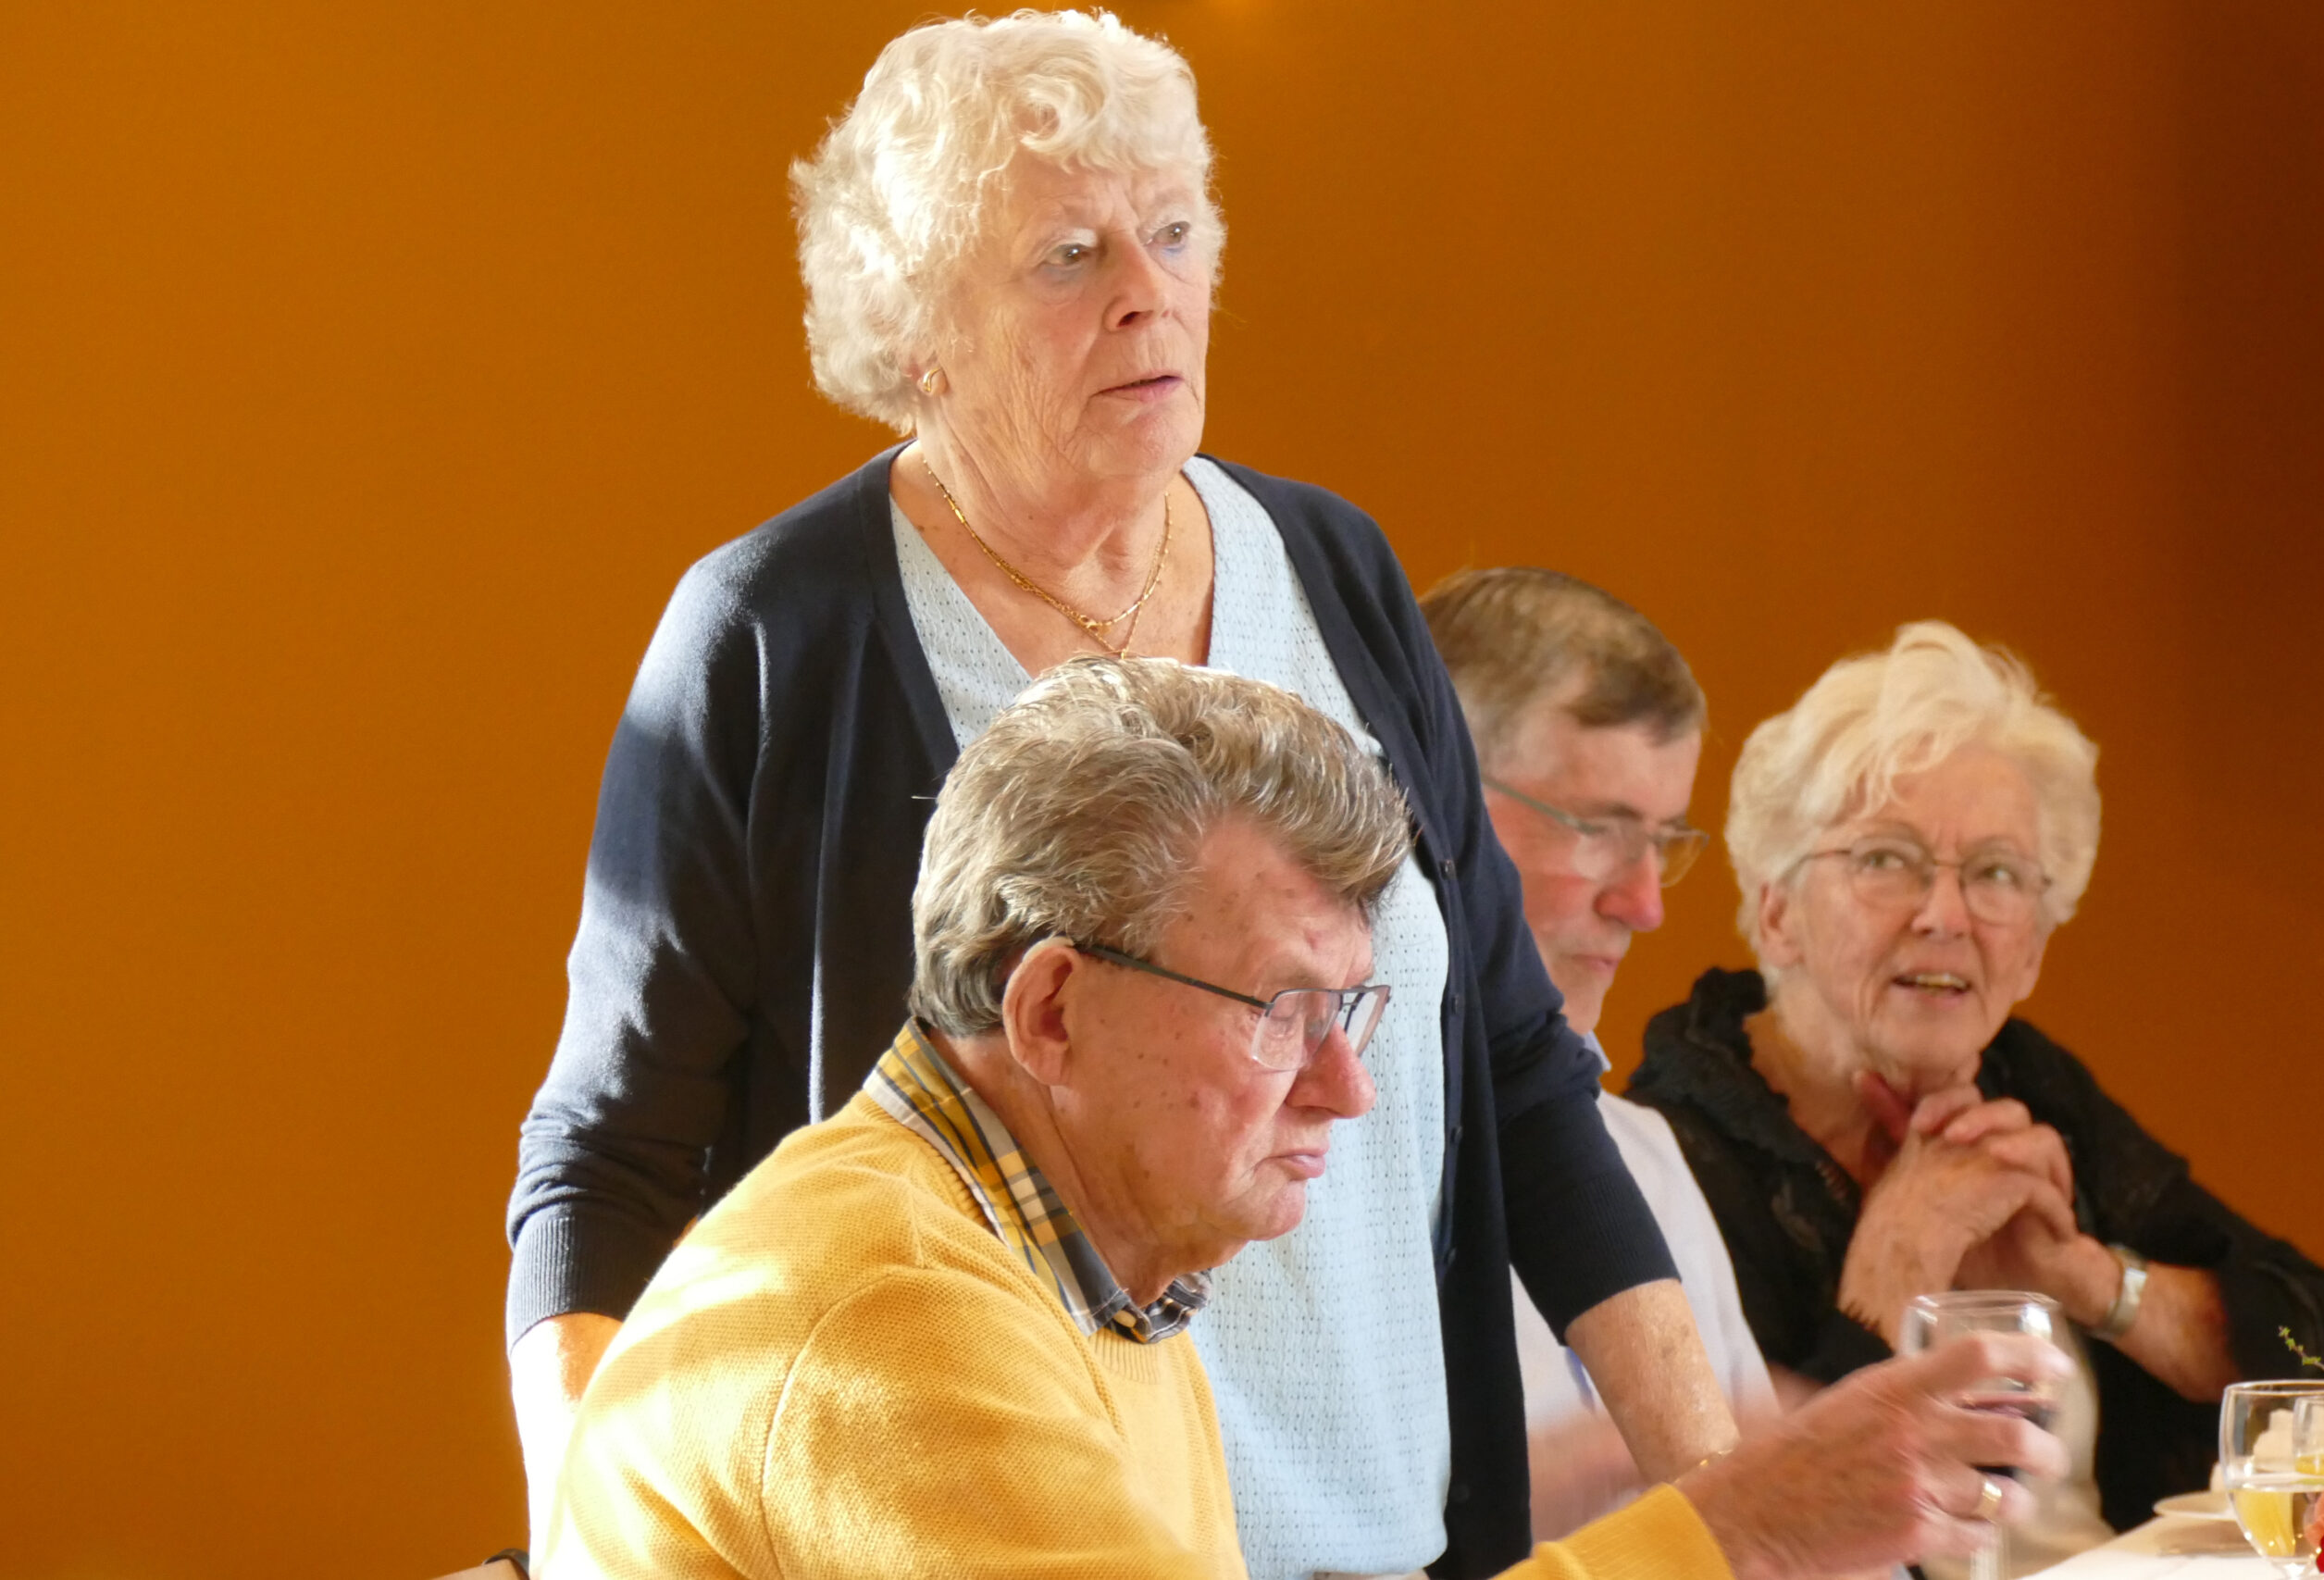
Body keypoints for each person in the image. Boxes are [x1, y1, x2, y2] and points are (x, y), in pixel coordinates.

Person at [506, 15, 1732, 1575]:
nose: (1150, 293)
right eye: (1070, 256)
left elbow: (1515, 1067)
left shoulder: (1335, 571)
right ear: (921, 331)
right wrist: (579, 1531)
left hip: (1400, 1537)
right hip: (1004, 1526)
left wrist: (1730, 1499)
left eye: (1174, 233)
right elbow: (606, 1157)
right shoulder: (777, 634)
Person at [538, 656, 2073, 1580]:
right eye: (1280, 1008)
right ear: (1052, 1007)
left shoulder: (1090, 1252)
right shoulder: (898, 1317)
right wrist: (1739, 1529)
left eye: (1353, 1009)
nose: (1347, 1086)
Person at [1626, 619, 2324, 1537]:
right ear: (1777, 913)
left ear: (2034, 948)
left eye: (1996, 874)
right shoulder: (1667, 1156)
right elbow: (1719, 1528)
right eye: (1885, 859)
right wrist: (1897, 1263)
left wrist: (2088, 1278)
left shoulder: (2029, 1087)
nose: (1946, 915)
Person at [1421, 568, 1778, 1535]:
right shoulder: (1290, 1177)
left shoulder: (1648, 1161)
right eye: (1600, 831)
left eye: (1663, 841)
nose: (1646, 904)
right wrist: (1611, 1458)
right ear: (1443, 808)